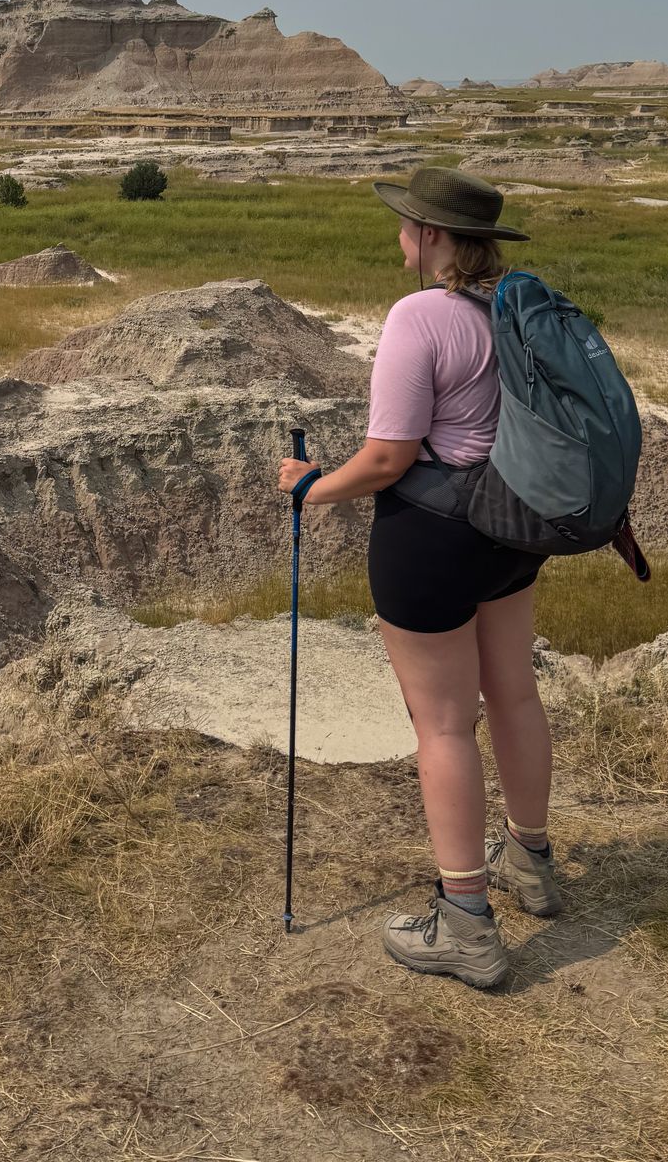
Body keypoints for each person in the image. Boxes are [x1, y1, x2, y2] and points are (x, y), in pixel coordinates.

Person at [276, 165, 561, 989]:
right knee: (514, 693)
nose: (398, 235)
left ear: (432, 236)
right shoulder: (523, 308)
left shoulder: (421, 319)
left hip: (433, 537)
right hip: (514, 530)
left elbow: (389, 459)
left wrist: (309, 486)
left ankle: (467, 923)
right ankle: (533, 867)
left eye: (406, 223)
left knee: (442, 726)